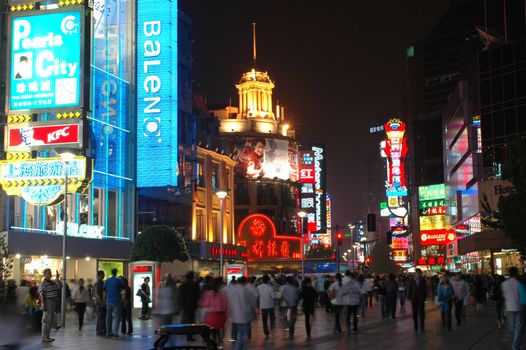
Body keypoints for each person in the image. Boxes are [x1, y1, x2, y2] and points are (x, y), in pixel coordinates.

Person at [225, 276, 253, 350]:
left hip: (234, 316)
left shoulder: (232, 290)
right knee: (241, 336)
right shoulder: (245, 290)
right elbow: (250, 302)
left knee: (237, 334)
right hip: (243, 316)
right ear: (245, 282)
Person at [501, 266, 526, 350]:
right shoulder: (519, 283)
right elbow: (524, 298)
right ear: (516, 273)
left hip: (509, 308)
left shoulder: (504, 284)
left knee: (511, 328)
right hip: (519, 308)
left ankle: (514, 343)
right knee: (518, 328)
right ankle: (515, 345)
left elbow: (504, 296)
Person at [200, 277, 228, 344]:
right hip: (220, 316)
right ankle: (218, 341)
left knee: (210, 332)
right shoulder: (222, 294)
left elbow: (204, 304)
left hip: (211, 316)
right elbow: (225, 306)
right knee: (217, 331)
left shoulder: (208, 293)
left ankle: (211, 343)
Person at [39, 268, 61, 343]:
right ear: (44, 275)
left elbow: (60, 287)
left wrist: (57, 279)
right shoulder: (43, 283)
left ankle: (47, 336)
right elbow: (42, 294)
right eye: (48, 273)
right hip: (48, 302)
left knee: (50, 320)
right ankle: (44, 337)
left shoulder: (52, 282)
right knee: (46, 320)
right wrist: (43, 304)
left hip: (53, 302)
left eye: (50, 273)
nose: (50, 274)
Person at [178, 272, 201, 341]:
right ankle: (189, 335)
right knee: (191, 320)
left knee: (185, 319)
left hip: (185, 305)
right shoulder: (195, 285)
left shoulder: (183, 285)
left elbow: (180, 295)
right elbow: (198, 295)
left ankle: (184, 332)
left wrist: (180, 304)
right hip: (192, 305)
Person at [104, 268, 124, 337]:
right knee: (117, 317)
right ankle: (115, 332)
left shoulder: (107, 280)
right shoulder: (119, 280)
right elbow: (124, 287)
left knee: (108, 317)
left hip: (108, 301)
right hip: (116, 301)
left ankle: (108, 332)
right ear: (116, 272)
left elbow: (104, 291)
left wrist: (104, 300)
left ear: (111, 272)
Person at [94, 271, 106, 336]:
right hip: (100, 303)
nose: (104, 275)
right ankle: (99, 330)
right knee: (100, 316)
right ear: (99, 275)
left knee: (102, 316)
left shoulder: (102, 283)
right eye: (103, 274)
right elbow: (97, 294)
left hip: (101, 302)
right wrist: (101, 302)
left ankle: (101, 330)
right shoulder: (98, 283)